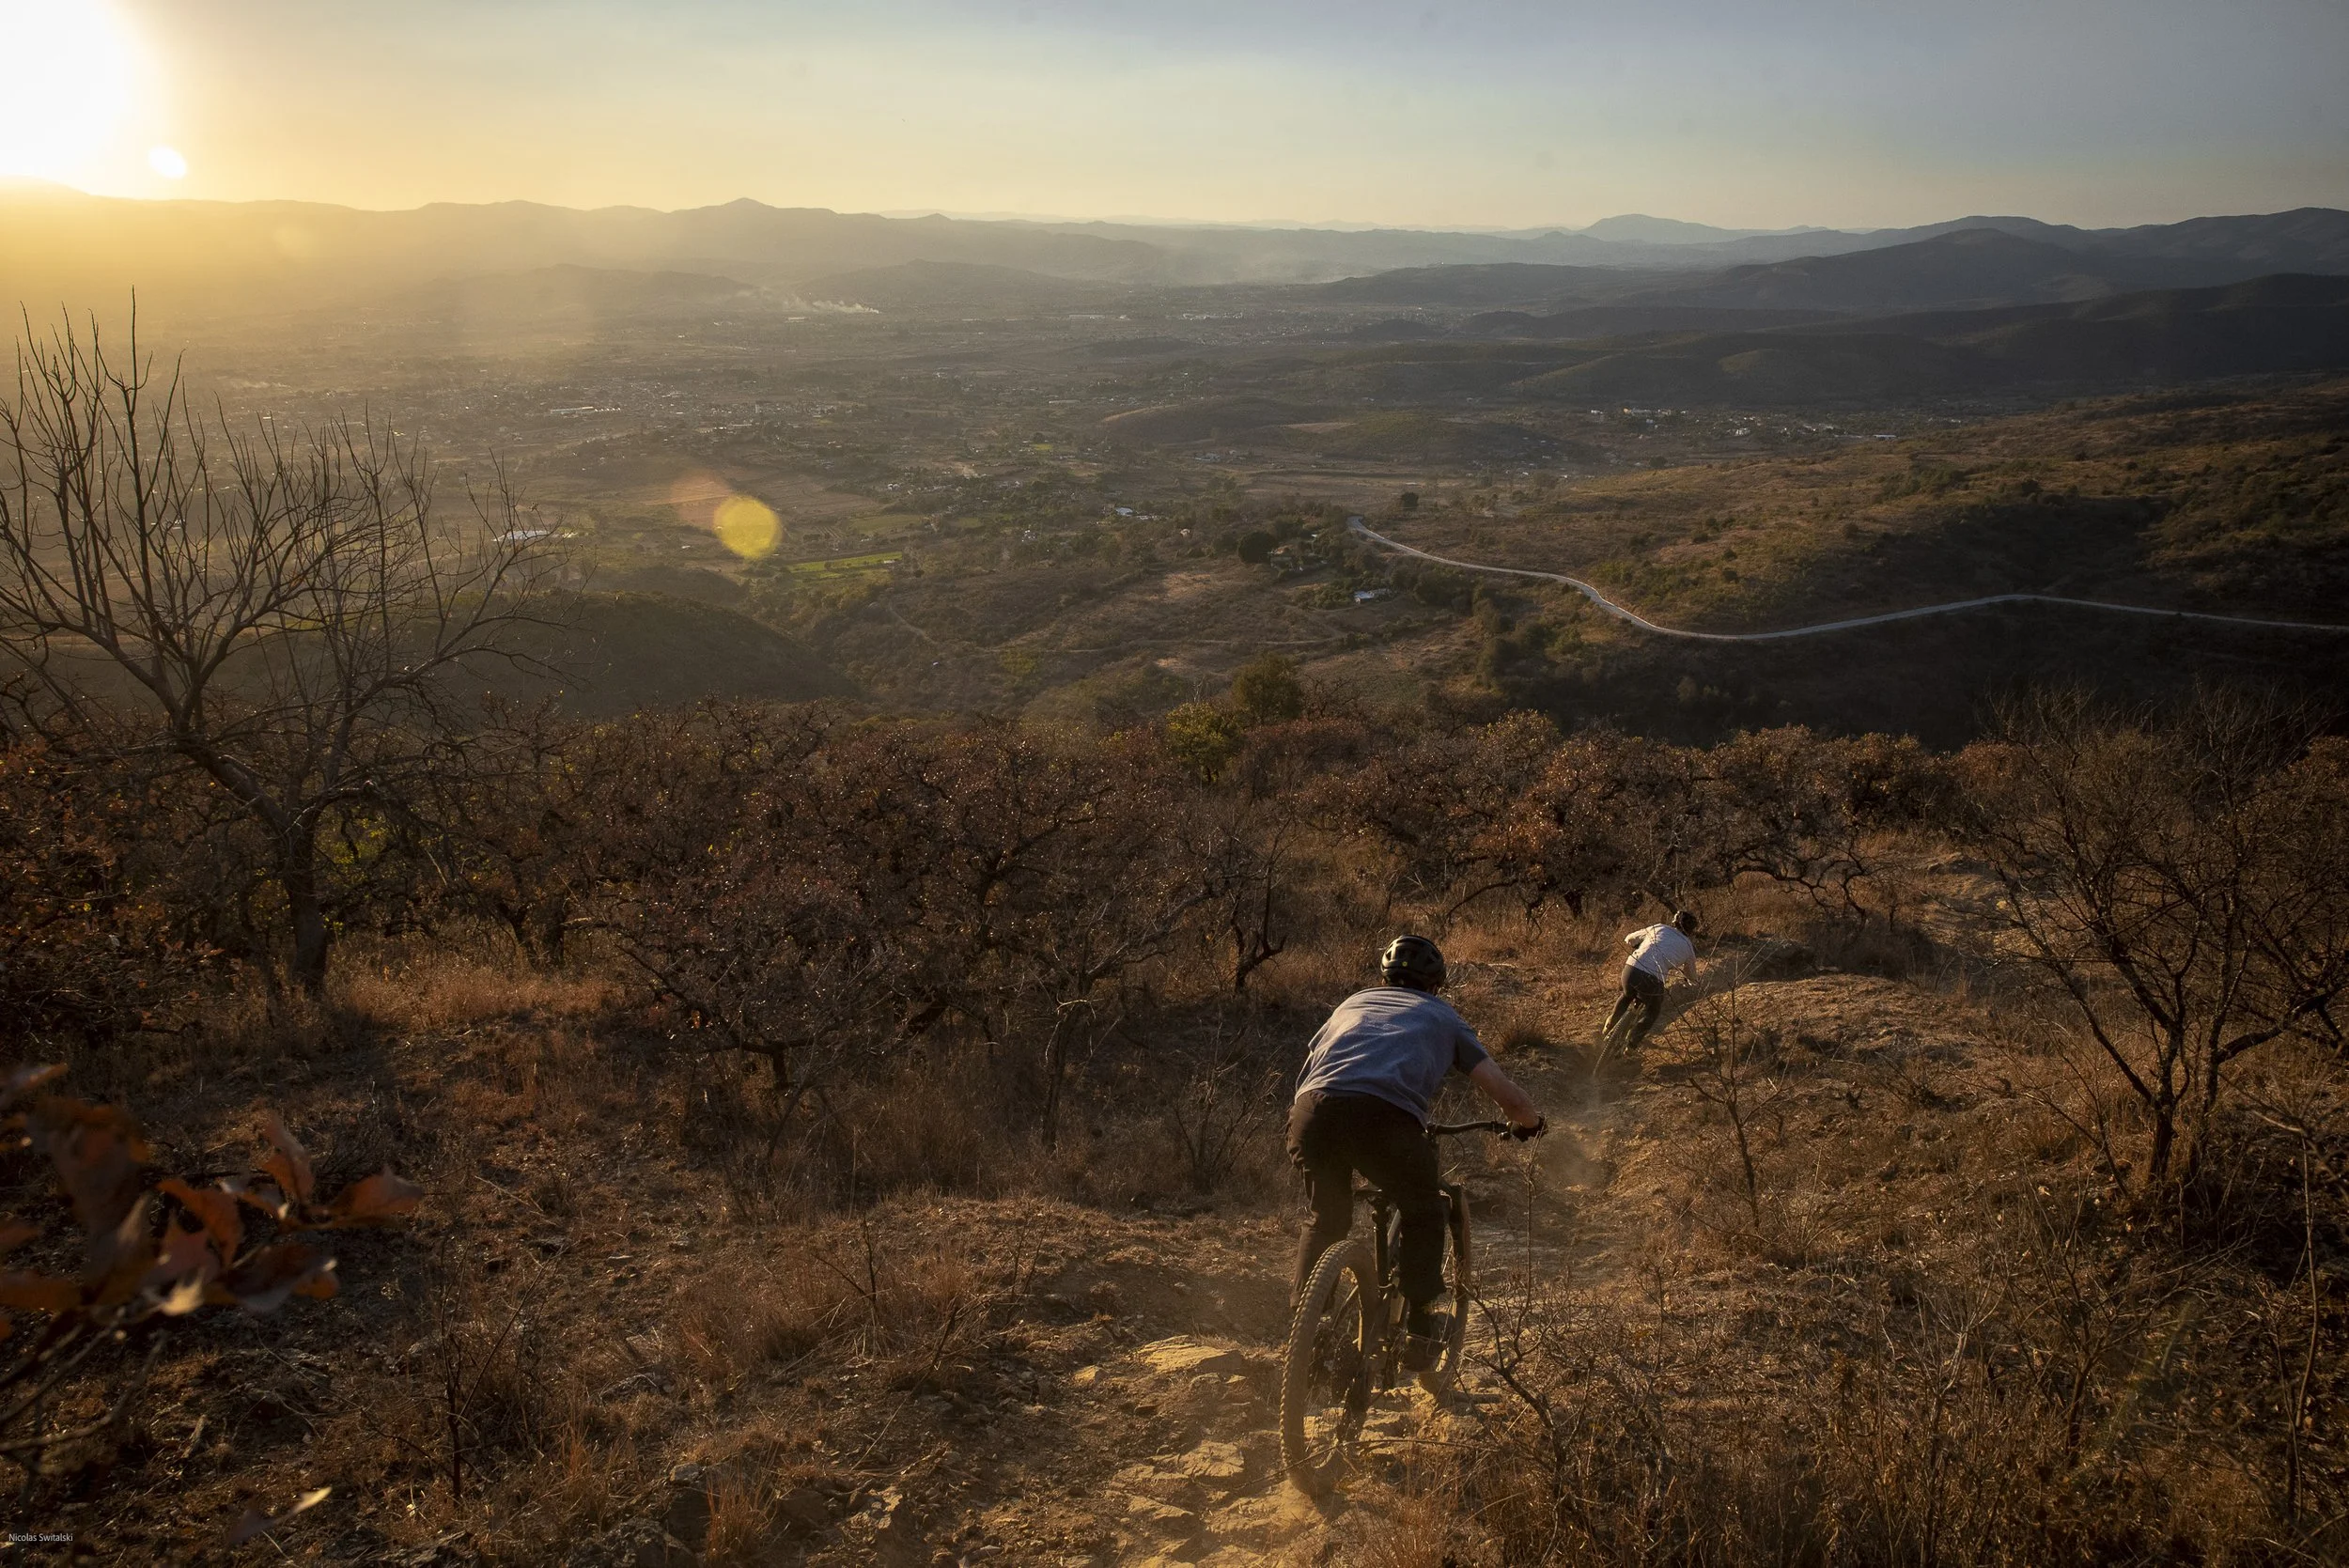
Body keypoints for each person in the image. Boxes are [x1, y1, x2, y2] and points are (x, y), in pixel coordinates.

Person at [1288, 935, 1545, 1370]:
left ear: (1385, 977)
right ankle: (1422, 1329)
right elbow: (1503, 1093)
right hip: (1384, 1119)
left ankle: (1305, 1334)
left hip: (1312, 1112)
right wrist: (1531, 1123)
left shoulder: (1351, 1005)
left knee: (1327, 1217)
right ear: (1436, 985)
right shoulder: (1443, 1016)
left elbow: (1310, 1070)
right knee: (1424, 1208)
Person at [1599, 909, 1701, 1055]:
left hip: (1631, 969)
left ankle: (1610, 1024)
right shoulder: (1688, 946)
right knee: (1652, 1010)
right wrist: (1690, 982)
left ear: (1674, 922)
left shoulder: (1660, 928)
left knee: (1627, 995)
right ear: (1691, 931)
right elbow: (1692, 977)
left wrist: (1639, 946)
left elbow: (1629, 939)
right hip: (1653, 980)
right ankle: (1631, 1045)